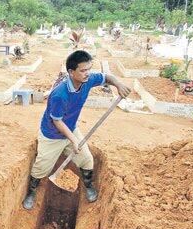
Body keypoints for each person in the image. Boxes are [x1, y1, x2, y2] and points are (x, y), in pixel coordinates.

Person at [22, 50, 131, 210]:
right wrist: (73, 140)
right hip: (52, 134)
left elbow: (106, 77)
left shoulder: (87, 80)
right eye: (83, 70)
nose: (87, 73)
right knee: (41, 167)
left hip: (71, 128)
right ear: (71, 72)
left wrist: (119, 84)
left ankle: (89, 186)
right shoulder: (59, 94)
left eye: (89, 69)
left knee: (87, 159)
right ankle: (31, 192)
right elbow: (57, 121)